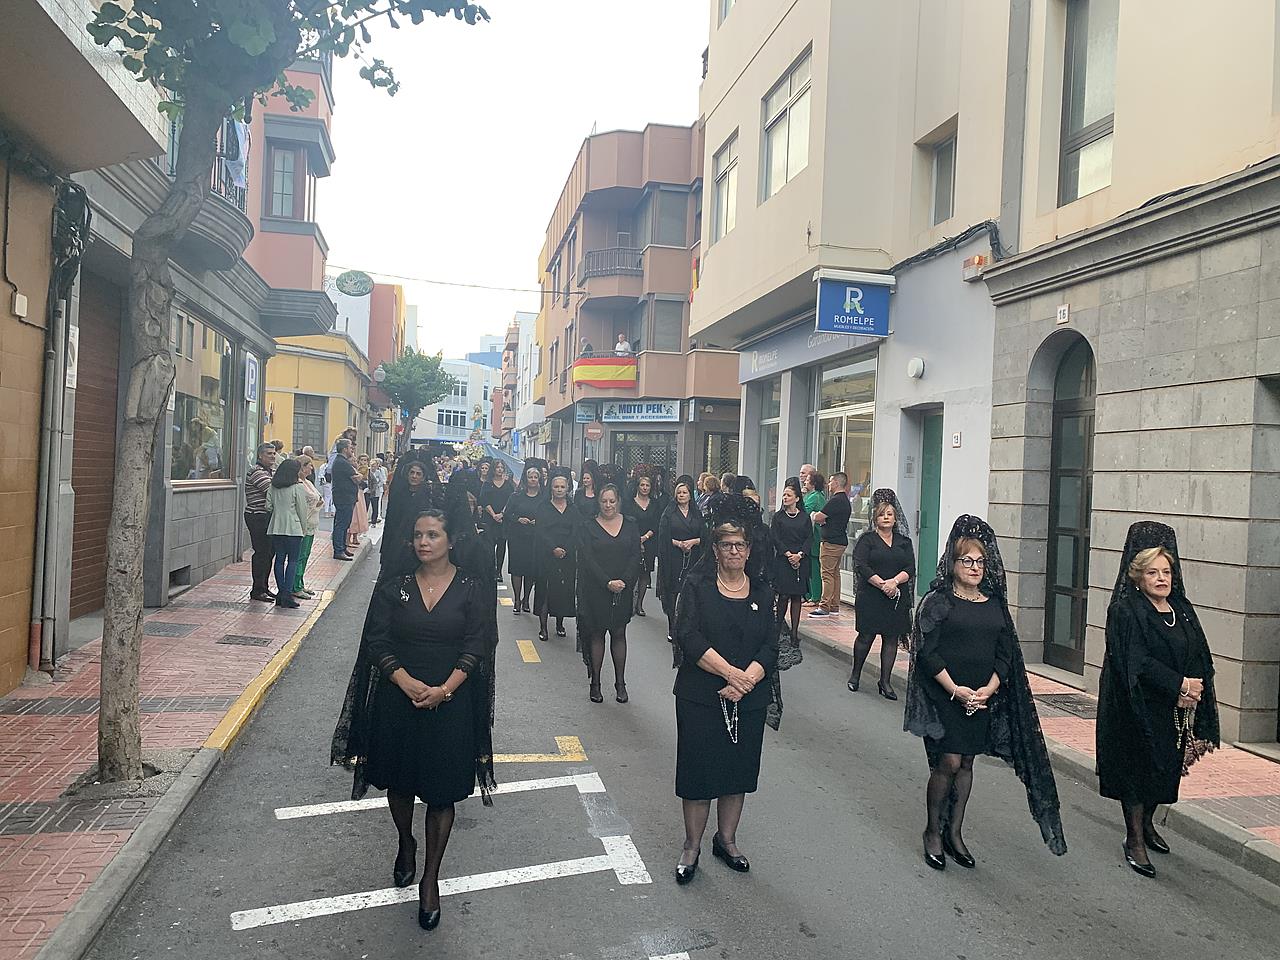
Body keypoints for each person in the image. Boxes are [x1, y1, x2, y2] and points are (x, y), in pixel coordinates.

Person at [330, 502, 498, 931]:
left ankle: (430, 878)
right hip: (398, 701)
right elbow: (377, 640)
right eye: (419, 535)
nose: (424, 542)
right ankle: (406, 842)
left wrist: (445, 690)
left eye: (433, 535)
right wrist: (404, 682)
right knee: (401, 784)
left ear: (451, 540)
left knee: (441, 794)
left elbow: (477, 644)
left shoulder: (472, 587)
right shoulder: (395, 586)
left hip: (451, 704)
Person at [904, 515, 1067, 870]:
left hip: (981, 698)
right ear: (953, 563)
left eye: (980, 561)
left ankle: (955, 833)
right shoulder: (938, 601)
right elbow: (927, 652)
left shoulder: (994, 603)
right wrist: (955, 689)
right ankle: (932, 831)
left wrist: (989, 690)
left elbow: (1006, 654)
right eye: (967, 561)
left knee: (967, 762)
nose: (975, 567)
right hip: (946, 695)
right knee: (948, 761)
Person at [1096, 521, 1219, 878]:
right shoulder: (1126, 610)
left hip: (1173, 708)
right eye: (1153, 572)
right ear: (1138, 576)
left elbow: (1198, 650)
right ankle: (1134, 839)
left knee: (1164, 770)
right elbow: (1137, 661)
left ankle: (1148, 824)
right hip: (1136, 706)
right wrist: (1179, 684)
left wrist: (1195, 688)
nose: (1161, 578)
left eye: (1166, 572)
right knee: (1138, 772)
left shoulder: (1180, 608)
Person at [671, 495, 780, 883]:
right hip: (701, 695)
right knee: (699, 774)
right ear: (715, 550)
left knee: (737, 772)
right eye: (726, 544)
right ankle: (691, 847)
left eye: (740, 544)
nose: (734, 551)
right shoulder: (697, 586)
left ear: (749, 550)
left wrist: (747, 680)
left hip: (747, 698)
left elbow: (771, 644)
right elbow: (687, 635)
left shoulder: (763, 591)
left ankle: (727, 840)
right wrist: (730, 674)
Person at [848, 489, 915, 700]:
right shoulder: (867, 540)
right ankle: (855, 674)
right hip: (871, 595)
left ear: (895, 519)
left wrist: (894, 582)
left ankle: (885, 681)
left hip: (895, 596)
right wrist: (881, 584)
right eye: (881, 514)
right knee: (866, 636)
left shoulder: (904, 542)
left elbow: (910, 567)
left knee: (891, 638)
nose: (886, 518)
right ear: (875, 518)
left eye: (889, 514)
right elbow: (861, 564)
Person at [577, 485, 641, 704]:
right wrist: (606, 582)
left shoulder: (630, 525)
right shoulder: (588, 526)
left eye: (612, 501)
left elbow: (635, 555)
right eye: (604, 501)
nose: (608, 505)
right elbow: (587, 559)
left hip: (623, 587)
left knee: (619, 633)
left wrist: (625, 580)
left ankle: (620, 684)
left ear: (618, 501)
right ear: (598, 502)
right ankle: (595, 683)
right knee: (597, 634)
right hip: (597, 588)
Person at [657, 476, 706, 643]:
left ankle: (688, 626)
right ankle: (672, 626)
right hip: (673, 557)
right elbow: (663, 537)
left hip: (693, 557)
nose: (682, 495)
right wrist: (678, 543)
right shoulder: (668, 514)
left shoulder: (696, 514)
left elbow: (705, 536)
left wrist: (693, 542)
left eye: (685, 492)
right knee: (673, 592)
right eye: (679, 493)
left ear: (690, 495)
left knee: (690, 591)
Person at [534, 467, 578, 641]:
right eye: (556, 486)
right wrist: (553, 548)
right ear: (551, 488)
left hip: (567, 556)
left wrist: (566, 549)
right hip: (547, 555)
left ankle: (560, 623)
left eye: (562, 487)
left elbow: (576, 531)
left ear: (567, 488)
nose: (559, 490)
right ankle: (543, 627)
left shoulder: (573, 509)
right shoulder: (543, 507)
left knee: (562, 591)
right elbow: (540, 531)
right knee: (545, 591)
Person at [380, 455, 436, 582]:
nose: (414, 476)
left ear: (423, 477)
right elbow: (392, 521)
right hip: (398, 543)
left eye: (418, 474)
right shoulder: (399, 494)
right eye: (412, 472)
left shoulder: (428, 497)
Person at [770, 480, 812, 646]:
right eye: (784, 495)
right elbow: (775, 537)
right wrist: (788, 554)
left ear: (797, 498)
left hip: (800, 559)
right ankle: (778, 630)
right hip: (784, 559)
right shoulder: (778, 517)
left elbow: (809, 538)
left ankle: (794, 633)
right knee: (783, 596)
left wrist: (799, 555)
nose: (785, 498)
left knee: (796, 597)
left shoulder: (804, 517)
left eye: (788, 495)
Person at [266, 458, 309, 609]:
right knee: (293, 561)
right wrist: (304, 528)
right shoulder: (298, 487)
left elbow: (268, 506)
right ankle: (287, 594)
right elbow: (302, 510)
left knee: (279, 559)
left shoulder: (273, 486)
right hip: (293, 528)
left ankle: (280, 593)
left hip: (276, 527)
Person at [809, 472, 851, 618]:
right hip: (840, 541)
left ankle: (824, 606)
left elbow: (819, 516)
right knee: (835, 574)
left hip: (831, 542)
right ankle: (834, 605)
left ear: (837, 483)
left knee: (826, 574)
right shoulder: (845, 500)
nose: (828, 484)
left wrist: (813, 514)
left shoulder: (835, 500)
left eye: (831, 481)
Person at [503, 463, 544, 613]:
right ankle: (517, 600)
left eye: (535, 477)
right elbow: (507, 514)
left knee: (530, 570)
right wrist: (518, 519)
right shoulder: (516, 496)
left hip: (534, 538)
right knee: (517, 569)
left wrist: (539, 521)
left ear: (539, 479)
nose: (533, 479)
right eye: (530, 477)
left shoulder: (544, 498)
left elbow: (548, 515)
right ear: (525, 479)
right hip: (517, 537)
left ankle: (526, 599)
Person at [624, 471, 661, 617]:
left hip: (649, 542)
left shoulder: (655, 504)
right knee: (631, 572)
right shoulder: (629, 503)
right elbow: (625, 521)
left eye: (647, 485)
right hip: (631, 542)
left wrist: (645, 537)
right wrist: (636, 539)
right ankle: (629, 602)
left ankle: (639, 603)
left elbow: (656, 523)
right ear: (638, 486)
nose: (645, 488)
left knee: (645, 573)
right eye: (642, 485)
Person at [244, 442, 277, 602]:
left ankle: (264, 587)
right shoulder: (256, 471)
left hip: (267, 517)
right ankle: (257, 590)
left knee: (269, 553)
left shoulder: (270, 472)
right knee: (261, 553)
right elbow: (272, 491)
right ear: (260, 455)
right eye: (269, 454)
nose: (273, 456)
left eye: (274, 453)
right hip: (257, 516)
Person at [292, 455, 324, 601]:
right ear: (302, 467)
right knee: (300, 555)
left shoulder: (308, 482)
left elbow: (318, 498)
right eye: (309, 465)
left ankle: (301, 582)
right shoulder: (298, 484)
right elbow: (305, 503)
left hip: (312, 523)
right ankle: (295, 586)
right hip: (303, 523)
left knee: (306, 554)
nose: (311, 467)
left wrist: (318, 503)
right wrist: (317, 504)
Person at [480, 461, 512, 581]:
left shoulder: (508, 484)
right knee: (489, 546)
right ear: (493, 469)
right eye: (497, 467)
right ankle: (490, 570)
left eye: (501, 467)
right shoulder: (487, 484)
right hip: (489, 519)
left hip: (503, 520)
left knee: (501, 546)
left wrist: (502, 514)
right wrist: (493, 515)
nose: (499, 469)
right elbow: (484, 500)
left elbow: (511, 501)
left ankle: (499, 571)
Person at [330, 438, 359, 561]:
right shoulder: (342, 462)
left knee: (345, 523)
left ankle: (342, 547)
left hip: (346, 497)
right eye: (350, 447)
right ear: (344, 449)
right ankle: (339, 550)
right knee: (341, 524)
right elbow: (357, 478)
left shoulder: (343, 461)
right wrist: (359, 475)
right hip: (344, 497)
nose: (352, 449)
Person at [800, 470, 826, 604]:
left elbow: (804, 511)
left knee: (815, 568)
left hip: (815, 536)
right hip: (814, 535)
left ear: (813, 483)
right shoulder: (816, 495)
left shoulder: (814, 496)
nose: (805, 482)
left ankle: (815, 596)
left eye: (807, 479)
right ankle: (811, 594)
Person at [368, 457, 387, 526]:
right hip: (368, 491)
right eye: (372, 466)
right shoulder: (368, 471)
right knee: (367, 506)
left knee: (375, 506)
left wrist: (377, 486)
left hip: (376, 492)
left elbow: (382, 481)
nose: (373, 467)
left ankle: (374, 521)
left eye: (374, 466)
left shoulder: (378, 472)